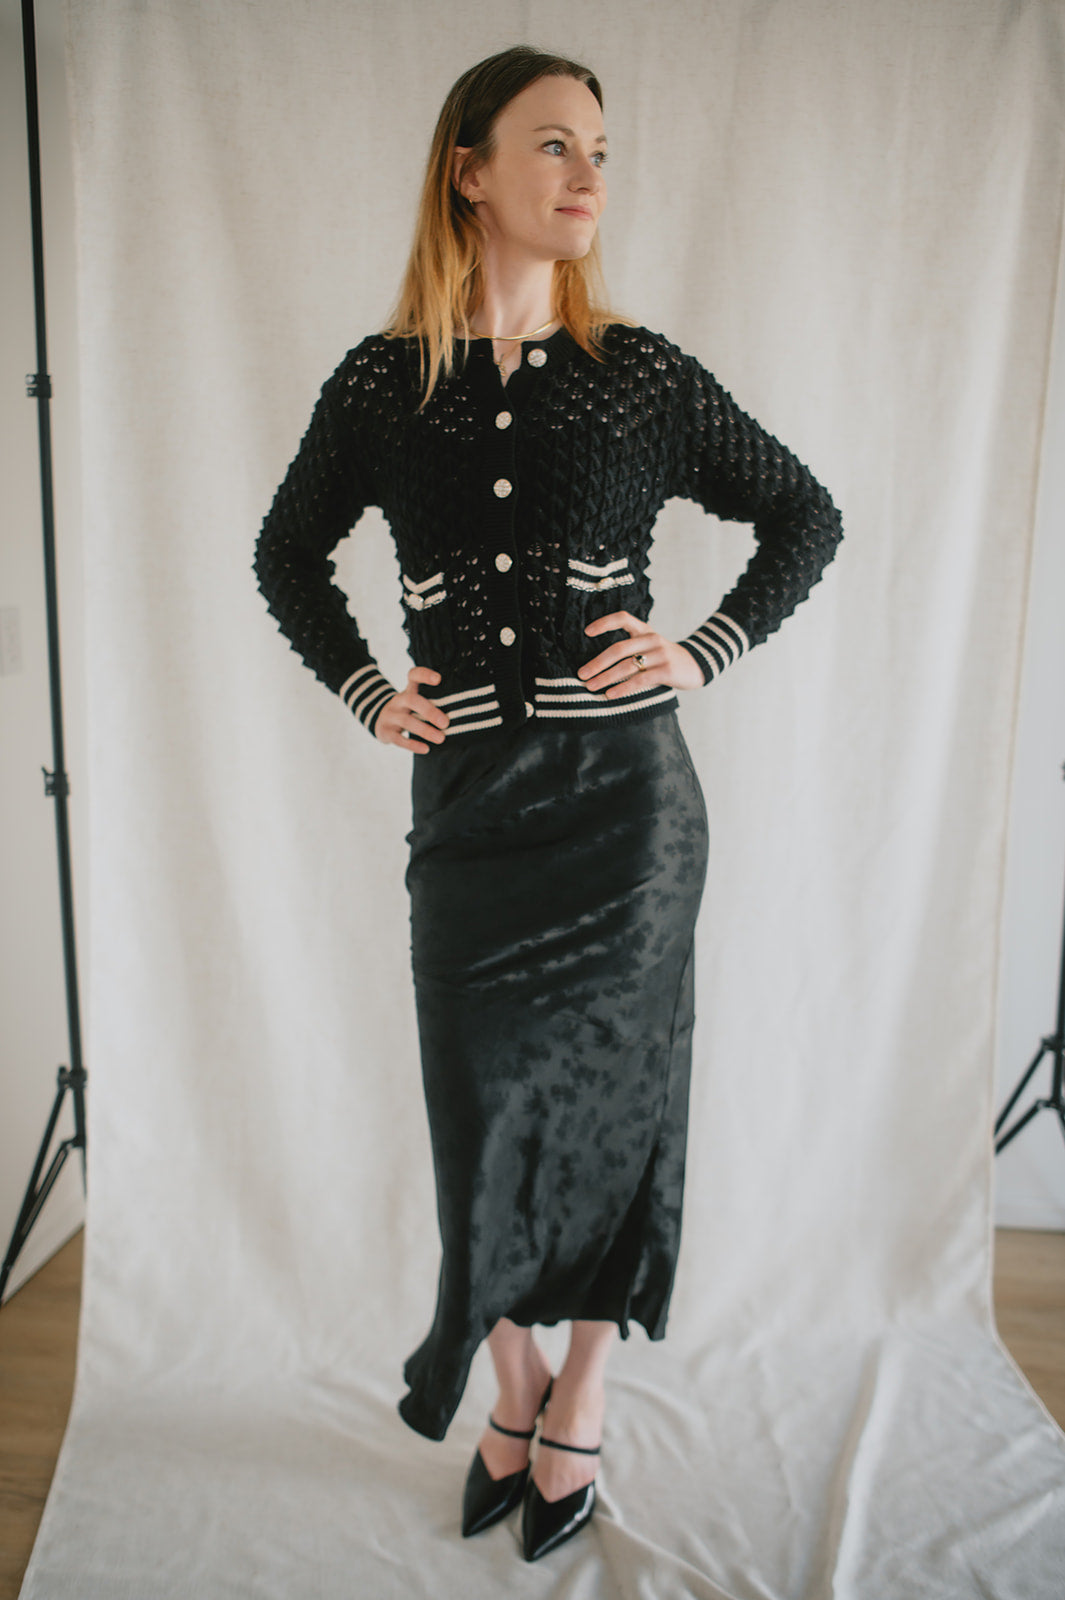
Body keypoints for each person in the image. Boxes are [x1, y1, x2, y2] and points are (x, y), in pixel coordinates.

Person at [254, 44, 842, 1563]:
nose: (588, 177)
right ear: (470, 174)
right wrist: (367, 688)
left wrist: (700, 650)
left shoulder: (637, 373)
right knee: (479, 1112)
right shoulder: (384, 385)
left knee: (616, 1114)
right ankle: (505, 1382)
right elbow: (286, 553)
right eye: (554, 146)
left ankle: (578, 1395)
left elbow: (804, 512)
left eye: (601, 152)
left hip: (626, 821)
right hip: (467, 817)